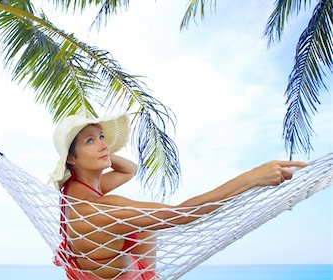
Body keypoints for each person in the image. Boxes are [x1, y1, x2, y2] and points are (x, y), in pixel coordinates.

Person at [49, 113, 307, 280]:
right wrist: (252, 178)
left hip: (119, 267)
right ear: (71, 158)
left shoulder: (76, 190)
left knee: (144, 226)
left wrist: (98, 151)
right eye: (89, 141)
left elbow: (129, 170)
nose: (104, 144)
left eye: (102, 137)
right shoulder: (100, 210)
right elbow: (182, 214)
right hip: (131, 275)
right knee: (147, 221)